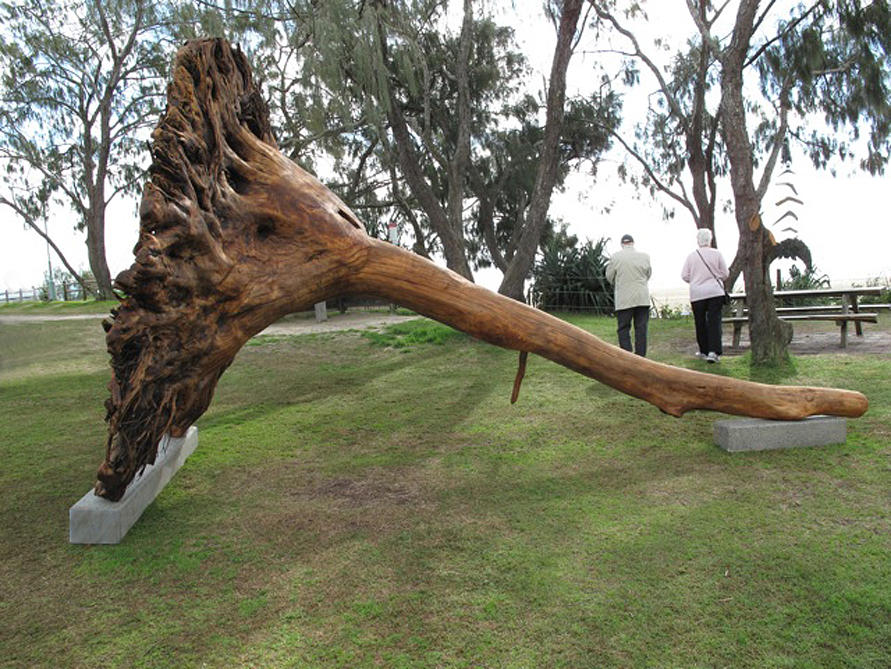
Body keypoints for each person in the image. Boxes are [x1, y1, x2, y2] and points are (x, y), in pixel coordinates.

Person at [681, 228, 729, 363]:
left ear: (698, 241)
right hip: (715, 292)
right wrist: (716, 277)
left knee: (700, 322)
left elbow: (684, 275)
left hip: (697, 293)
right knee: (714, 321)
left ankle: (703, 350)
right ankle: (714, 352)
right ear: (710, 239)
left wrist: (695, 280)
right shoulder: (717, 254)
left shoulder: (691, 256)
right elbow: (725, 273)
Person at [605, 234, 652, 356]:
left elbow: (609, 276)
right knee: (641, 329)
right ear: (633, 243)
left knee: (623, 328)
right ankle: (641, 357)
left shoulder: (615, 257)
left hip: (624, 298)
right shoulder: (645, 257)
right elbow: (648, 274)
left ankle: (627, 356)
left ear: (622, 244)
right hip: (642, 297)